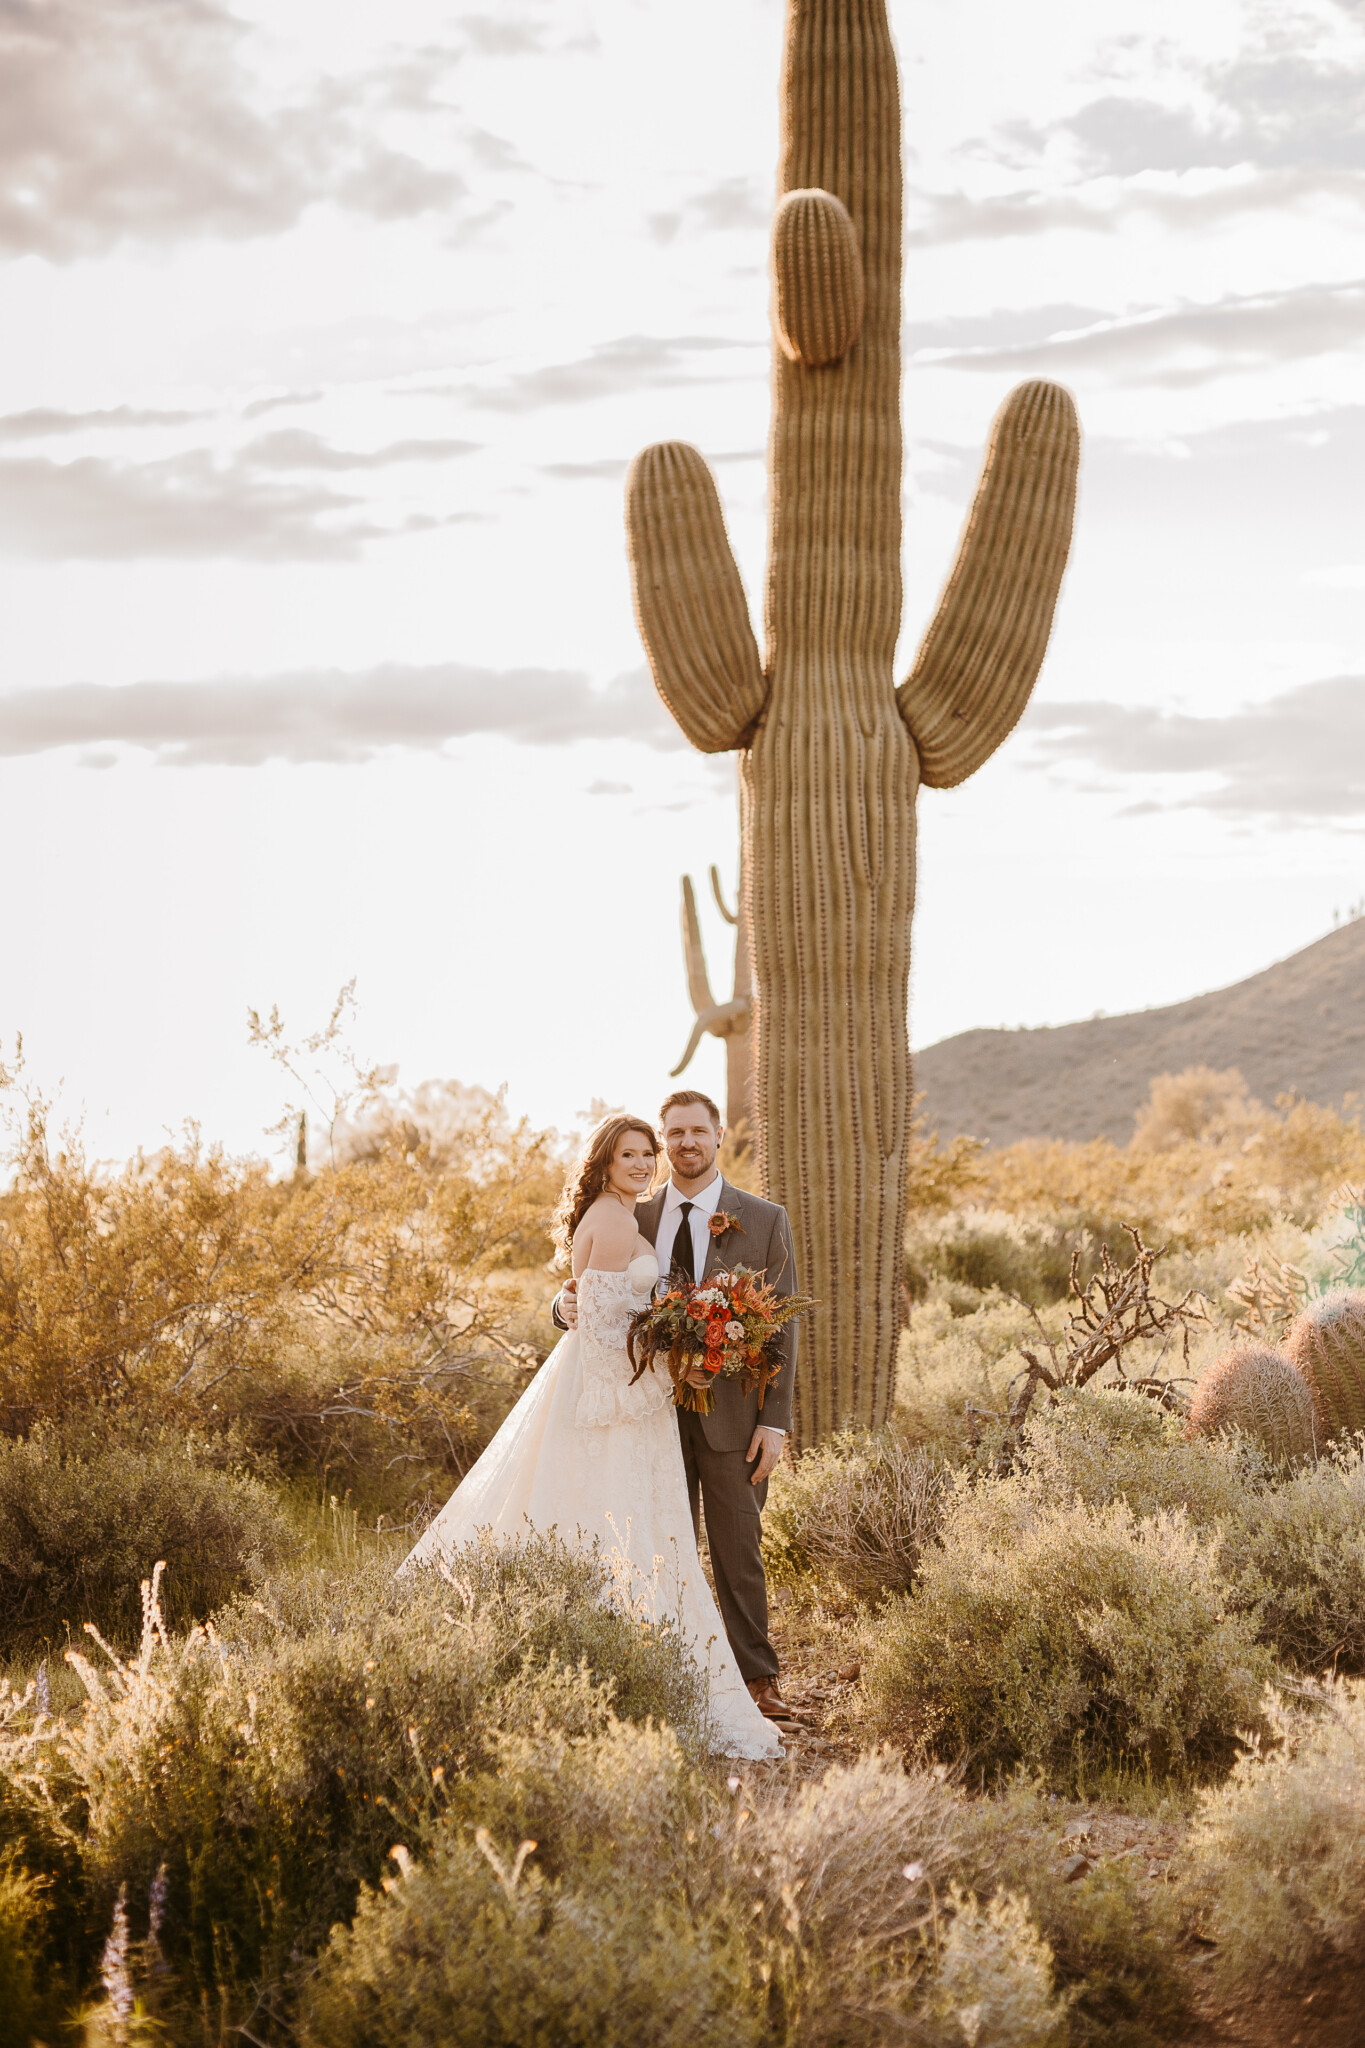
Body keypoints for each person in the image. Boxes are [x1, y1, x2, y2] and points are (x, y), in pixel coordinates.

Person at [400, 1110, 781, 1761]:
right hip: (631, 1404)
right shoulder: (621, 1216)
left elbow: (613, 1301)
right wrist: (659, 1351)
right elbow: (594, 1311)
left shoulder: (743, 1217)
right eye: (631, 1154)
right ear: (605, 1161)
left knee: (720, 1540)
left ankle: (751, 1672)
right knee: (629, 1528)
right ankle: (631, 1672)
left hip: (691, 1409)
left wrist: (761, 1401)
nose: (643, 1163)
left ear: (716, 1136)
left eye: (645, 1154)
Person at [554, 1089, 798, 1724]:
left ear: (719, 1136)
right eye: (675, 1134)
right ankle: (670, 1673)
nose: (686, 1143)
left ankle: (757, 1680)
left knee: (738, 1546)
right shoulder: (634, 1210)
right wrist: (561, 1306)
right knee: (659, 1541)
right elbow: (591, 1284)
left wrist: (775, 1420)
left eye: (698, 1131)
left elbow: (781, 1331)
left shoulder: (764, 1219)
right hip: (647, 1411)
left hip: (733, 1416)